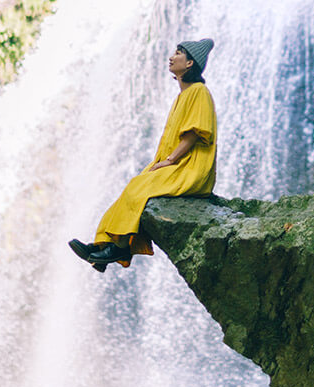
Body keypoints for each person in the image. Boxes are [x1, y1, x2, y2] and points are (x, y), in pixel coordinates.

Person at [68, 38, 217, 271]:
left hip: (191, 168)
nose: (171, 57)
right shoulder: (183, 96)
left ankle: (117, 249)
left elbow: (194, 134)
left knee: (139, 188)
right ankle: (102, 247)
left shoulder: (199, 91)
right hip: (177, 164)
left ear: (189, 63)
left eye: (178, 53)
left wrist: (169, 161)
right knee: (134, 187)